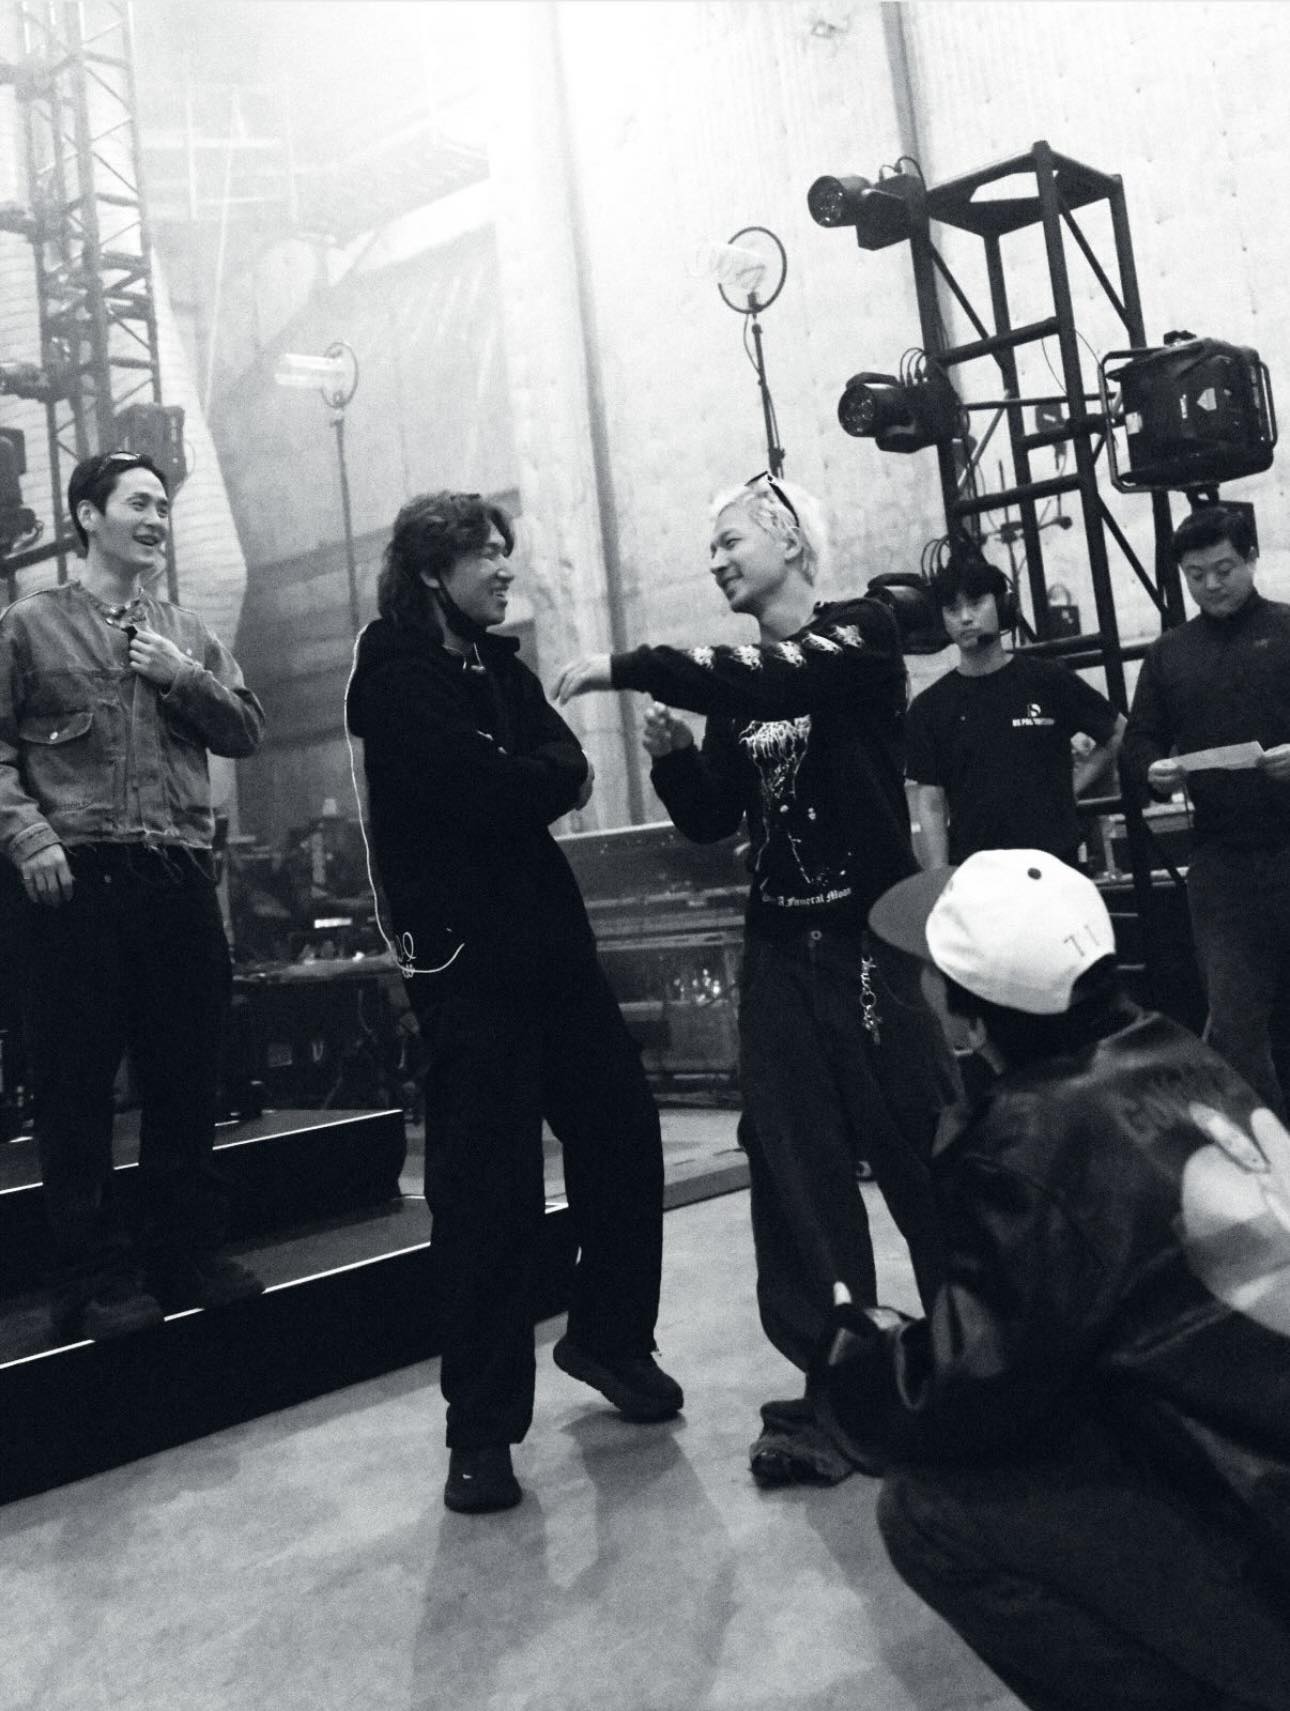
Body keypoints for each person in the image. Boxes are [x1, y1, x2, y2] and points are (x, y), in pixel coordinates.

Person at [813, 846, 1290, 1711]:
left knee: (929, 1514)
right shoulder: (1183, 1052)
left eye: (932, 968)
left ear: (967, 1021)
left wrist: (854, 1356)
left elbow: (958, 1390)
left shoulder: (1036, 1138)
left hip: (1265, 1542)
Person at [555, 473, 955, 1488]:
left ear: (788, 537)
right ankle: (838, 1381)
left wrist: (626, 665)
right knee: (791, 1164)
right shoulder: (743, 694)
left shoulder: (861, 633)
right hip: (780, 947)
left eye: (730, 540)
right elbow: (713, 819)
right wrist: (676, 765)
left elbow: (780, 679)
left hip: (870, 942)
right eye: (711, 549)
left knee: (922, 1146)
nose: (716, 561)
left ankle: (980, 1354)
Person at [344, 490, 681, 1517]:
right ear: (430, 569)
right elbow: (489, 790)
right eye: (486, 553)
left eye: (506, 550)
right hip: (467, 972)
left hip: (555, 957)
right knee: (489, 1201)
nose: (504, 568)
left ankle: (609, 1337)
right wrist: (525, 778)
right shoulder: (391, 677)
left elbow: (566, 765)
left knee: (623, 1138)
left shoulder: (502, 669)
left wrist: (522, 776)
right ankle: (481, 1430)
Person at [0, 450, 266, 1341]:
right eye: (138, 503)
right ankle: (95, 1278)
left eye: (162, 505)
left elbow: (246, 729)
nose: (157, 518)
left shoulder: (186, 633)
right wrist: (29, 836)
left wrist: (179, 675)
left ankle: (183, 1251)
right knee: (75, 1090)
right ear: (87, 515)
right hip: (77, 883)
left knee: (186, 1078)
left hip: (178, 876)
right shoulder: (30, 626)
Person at [1123, 503, 1290, 1118]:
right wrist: (1152, 770)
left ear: (1252, 559)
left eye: (1224, 569)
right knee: (1236, 1027)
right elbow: (1139, 738)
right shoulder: (1170, 654)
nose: (1212, 585)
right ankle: (1273, 1150)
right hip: (1222, 863)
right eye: (1196, 575)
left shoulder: (1287, 629)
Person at [906, 551, 1124, 869]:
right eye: (953, 609)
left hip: (1053, 865)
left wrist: (1070, 787)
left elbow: (1117, 731)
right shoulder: (930, 707)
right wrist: (939, 878)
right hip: (978, 871)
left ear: (1002, 605)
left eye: (976, 603)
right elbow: (931, 802)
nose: (965, 618)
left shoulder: (1047, 680)